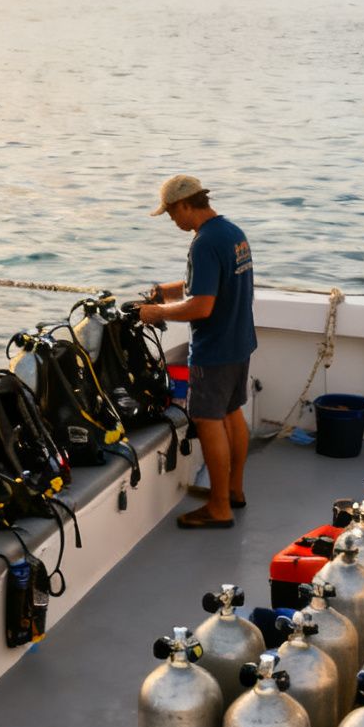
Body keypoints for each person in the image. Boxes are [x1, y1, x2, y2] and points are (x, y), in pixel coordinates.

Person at [138, 174, 257, 529]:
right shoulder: (232, 233)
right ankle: (233, 491)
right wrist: (165, 291)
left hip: (214, 348)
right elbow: (202, 286)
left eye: (172, 214)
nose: (173, 221)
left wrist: (157, 313)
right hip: (239, 341)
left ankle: (219, 507)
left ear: (186, 205)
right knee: (233, 413)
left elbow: (203, 306)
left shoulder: (203, 243)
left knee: (208, 421)